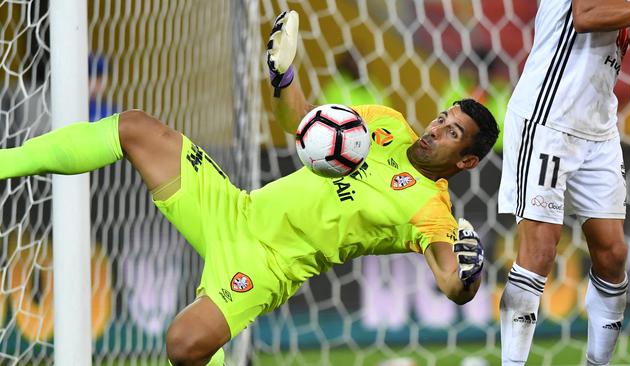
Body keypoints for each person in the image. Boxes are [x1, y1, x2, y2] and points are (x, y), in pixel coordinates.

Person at [0, 11, 498, 366]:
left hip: (264, 265)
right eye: (441, 117)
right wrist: (285, 76)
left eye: (452, 132)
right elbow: (301, 125)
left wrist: (470, 277)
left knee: (183, 344)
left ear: (467, 160)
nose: (435, 129)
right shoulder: (384, 124)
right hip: (235, 208)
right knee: (134, 127)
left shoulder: (432, 210)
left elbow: (452, 284)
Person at [497, 1, 630, 365]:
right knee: (540, 251)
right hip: (547, 118)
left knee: (613, 255)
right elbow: (585, 17)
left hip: (598, 127)